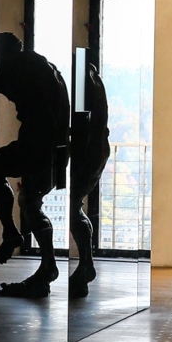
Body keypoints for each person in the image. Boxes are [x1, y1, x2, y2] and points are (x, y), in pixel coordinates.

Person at [0, 31, 71, 298]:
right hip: (55, 142)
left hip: (39, 141)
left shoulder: (21, 67)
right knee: (29, 200)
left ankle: (15, 236)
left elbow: (4, 84)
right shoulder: (47, 68)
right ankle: (46, 265)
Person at [68, 61, 112, 298]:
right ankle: (86, 263)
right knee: (75, 205)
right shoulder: (94, 80)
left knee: (73, 205)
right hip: (95, 148)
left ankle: (86, 264)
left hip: (88, 150)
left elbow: (82, 121)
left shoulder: (84, 82)